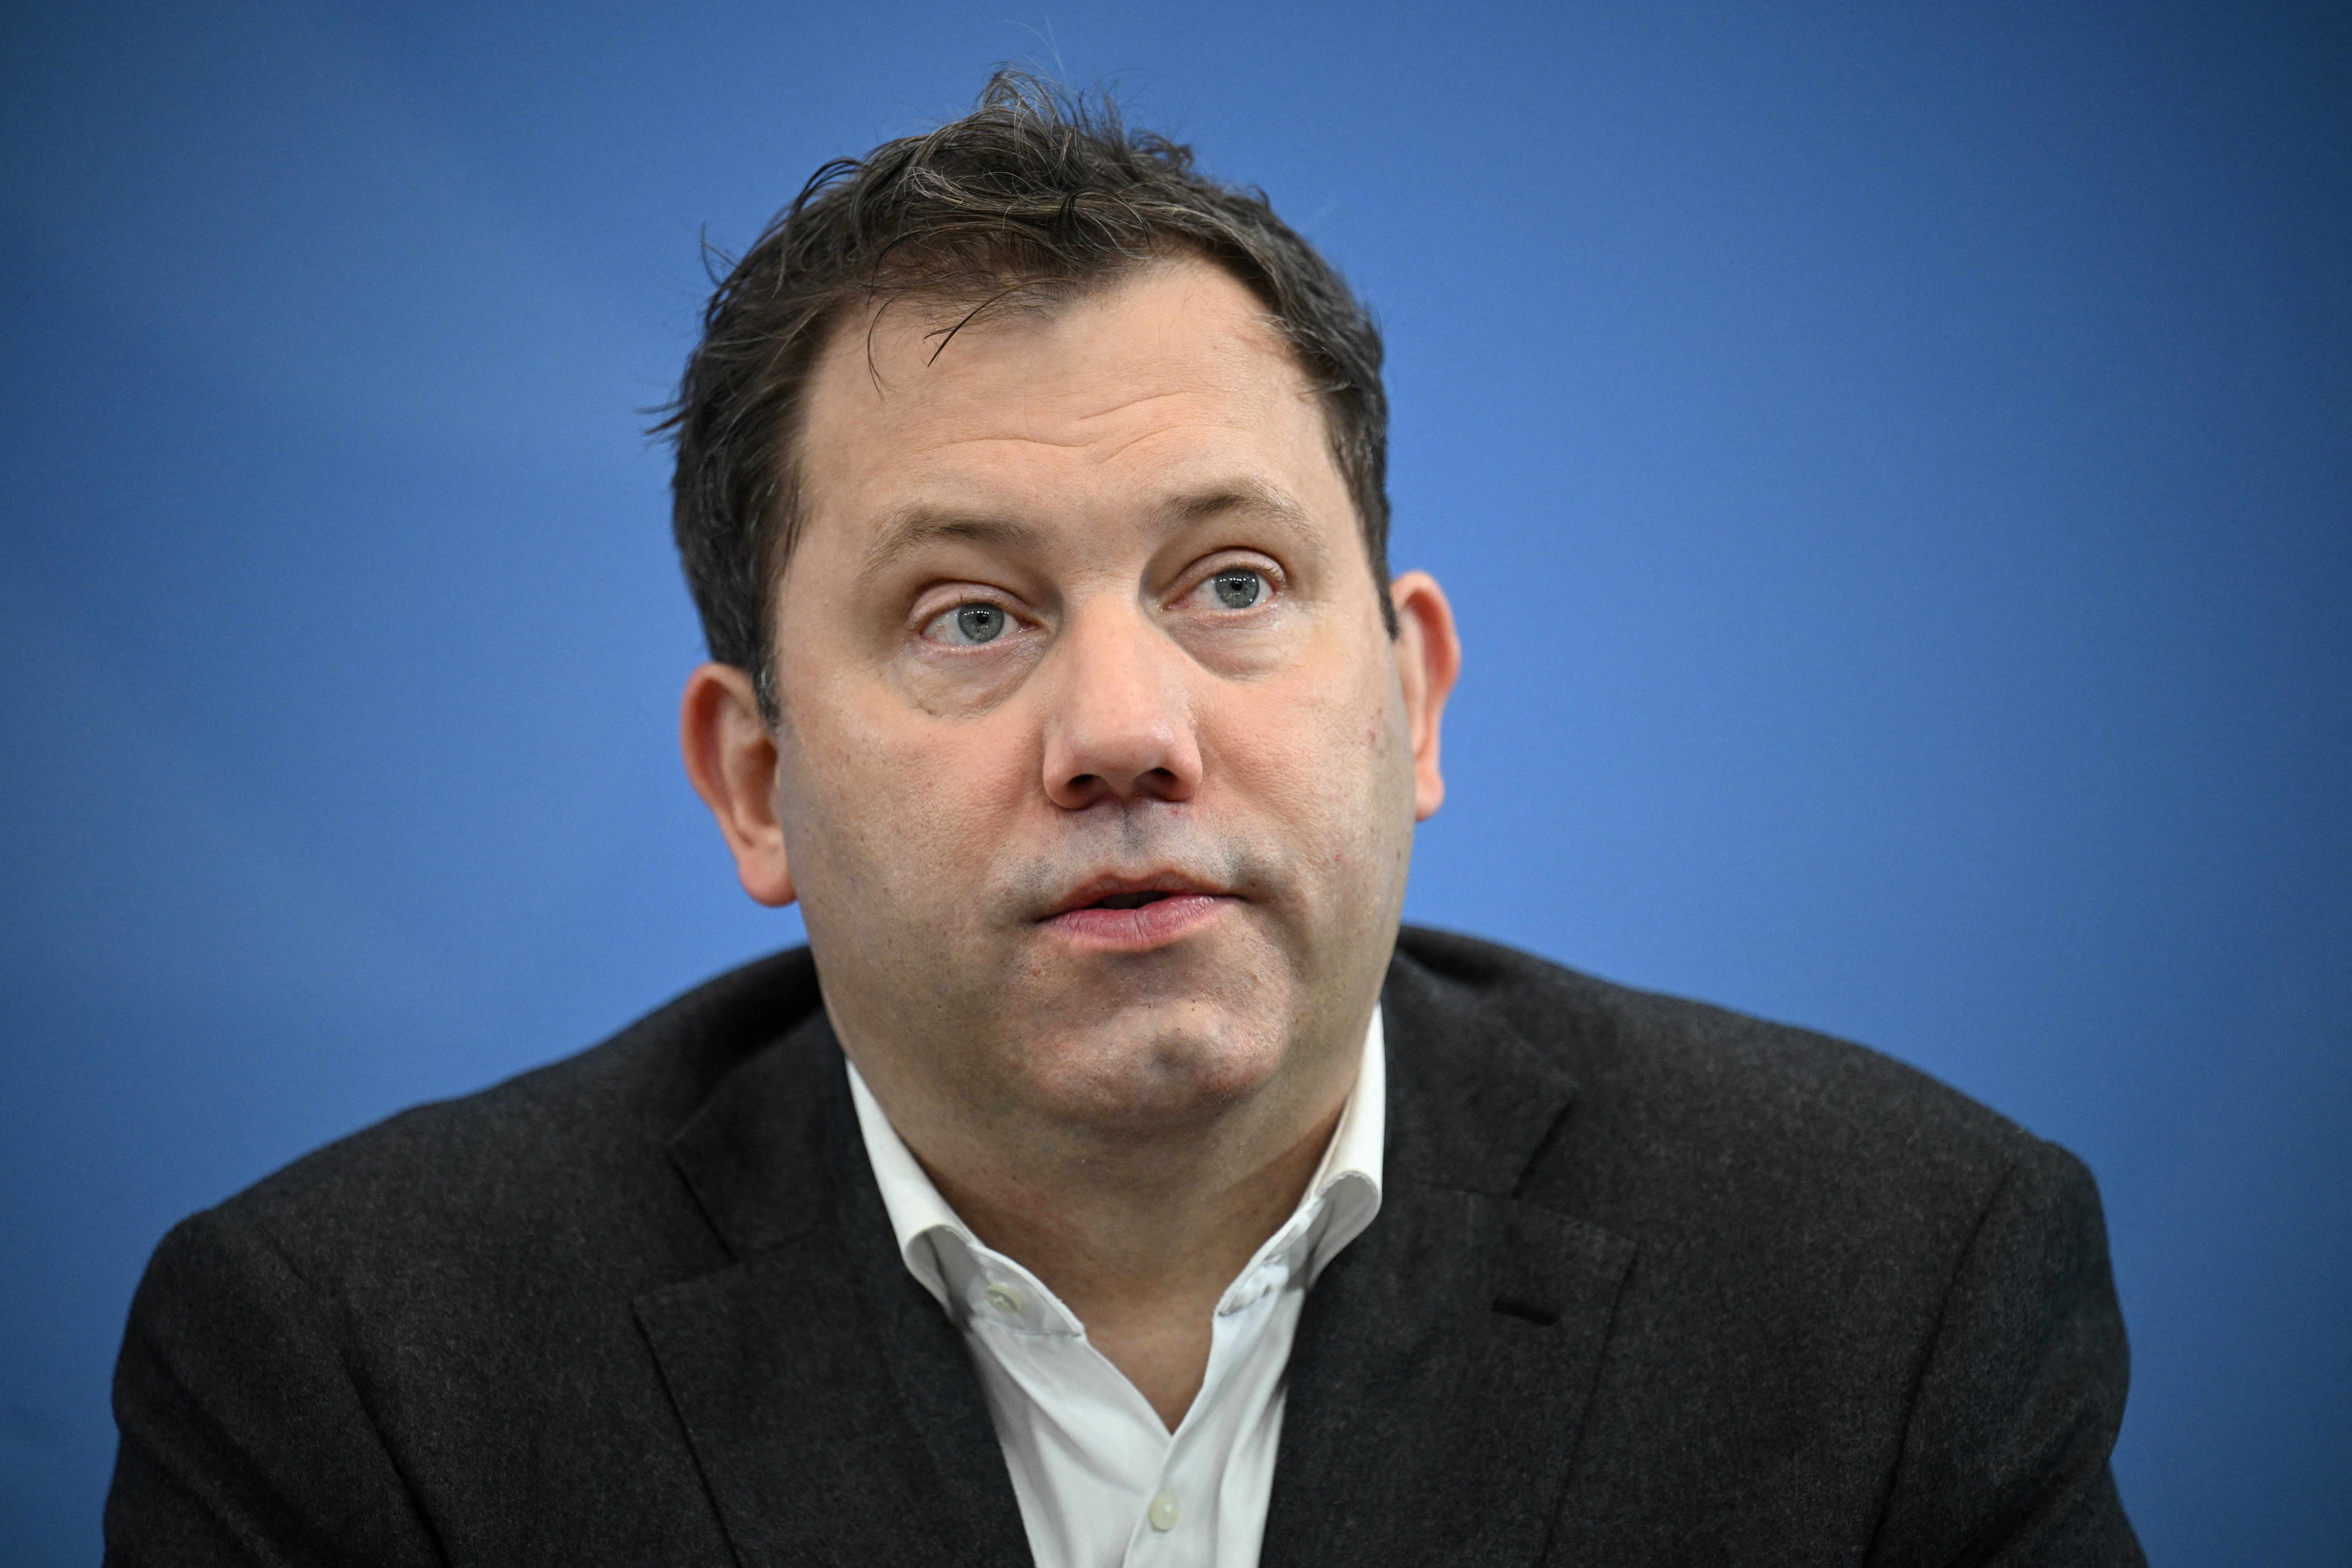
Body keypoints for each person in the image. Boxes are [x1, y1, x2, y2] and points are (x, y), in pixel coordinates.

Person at [103, 76, 2142, 1566]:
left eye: (1231, 582)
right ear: (759, 779)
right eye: (970, 615)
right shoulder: (356, 1372)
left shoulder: (1895, 1284)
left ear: (1413, 692)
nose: (1126, 731)